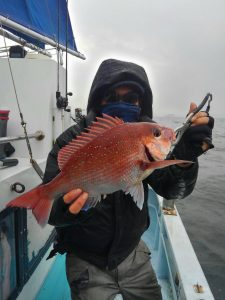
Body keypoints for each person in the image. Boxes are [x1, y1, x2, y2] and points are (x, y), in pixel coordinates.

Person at [44, 59, 214, 300]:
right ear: (97, 99)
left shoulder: (143, 140)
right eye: (111, 95)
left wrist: (187, 154)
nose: (120, 103)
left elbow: (173, 190)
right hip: (85, 261)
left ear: (141, 103)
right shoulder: (72, 140)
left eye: (131, 97)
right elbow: (52, 213)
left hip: (133, 255)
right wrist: (74, 209)